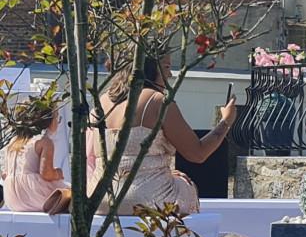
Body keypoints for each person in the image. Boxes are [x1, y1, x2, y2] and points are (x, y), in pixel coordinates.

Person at [93, 55, 235, 215]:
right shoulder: (158, 101)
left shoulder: (101, 101)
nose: (170, 74)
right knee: (186, 185)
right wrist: (226, 121)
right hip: (144, 200)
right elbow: (198, 153)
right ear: (150, 67)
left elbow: (91, 156)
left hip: (99, 199)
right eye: (166, 67)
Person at [1, 98, 67, 212]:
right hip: (35, 195)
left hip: (12, 198)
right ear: (49, 121)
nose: (58, 122)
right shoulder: (44, 142)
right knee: (70, 194)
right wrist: (58, 173)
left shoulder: (13, 142)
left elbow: (4, 175)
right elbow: (46, 174)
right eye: (57, 118)